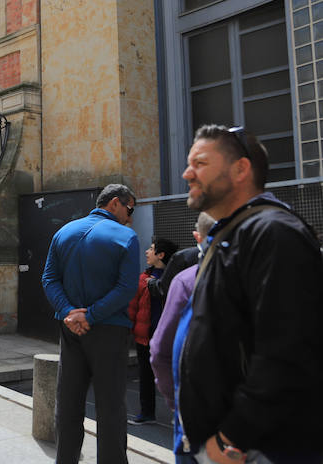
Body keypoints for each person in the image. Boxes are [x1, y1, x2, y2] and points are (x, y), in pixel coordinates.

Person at [176, 125, 323, 463]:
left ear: (241, 169)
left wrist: (231, 437)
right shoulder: (235, 233)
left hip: (256, 449)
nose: (187, 173)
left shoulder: (273, 232)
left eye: (199, 163)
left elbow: (287, 353)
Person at [41, 183, 139, 464]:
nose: (130, 217)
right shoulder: (126, 237)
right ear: (116, 203)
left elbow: (49, 279)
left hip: (70, 328)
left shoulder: (63, 232)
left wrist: (70, 312)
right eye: (130, 209)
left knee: (69, 403)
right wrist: (91, 315)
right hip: (109, 329)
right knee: (110, 408)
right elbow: (126, 288)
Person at [149, 213, 214, 463]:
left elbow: (160, 353)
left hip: (197, 409)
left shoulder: (187, 280)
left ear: (198, 236)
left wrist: (176, 402)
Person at [127, 236, 176, 426]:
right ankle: (147, 413)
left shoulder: (173, 279)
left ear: (161, 255)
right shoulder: (143, 277)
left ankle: (178, 412)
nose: (147, 252)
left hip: (166, 336)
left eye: (151, 248)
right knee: (145, 375)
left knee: (173, 375)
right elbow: (134, 307)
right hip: (145, 335)